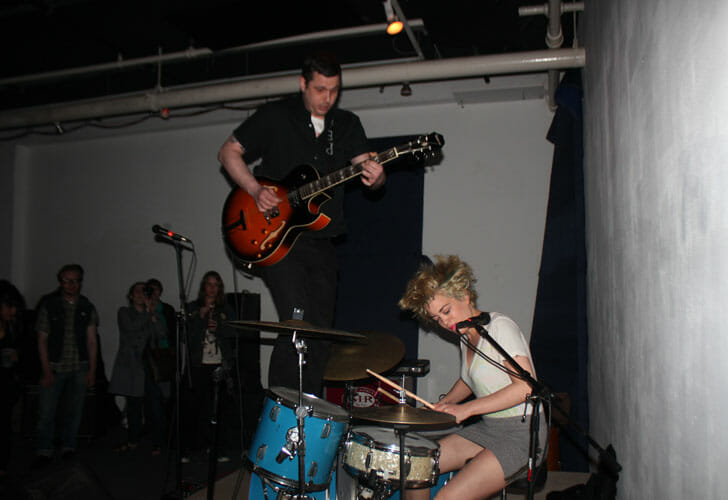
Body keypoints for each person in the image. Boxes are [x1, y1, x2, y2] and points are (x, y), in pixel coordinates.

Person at [217, 51, 385, 397]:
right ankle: (280, 410)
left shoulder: (347, 124)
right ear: (302, 84)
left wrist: (377, 175)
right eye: (320, 89)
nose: (328, 98)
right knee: (297, 321)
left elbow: (368, 170)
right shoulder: (276, 115)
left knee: (320, 331)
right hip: (277, 236)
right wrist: (254, 189)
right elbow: (228, 153)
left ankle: (308, 408)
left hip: (323, 240)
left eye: (335, 90)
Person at [398, 255, 547, 500]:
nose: (445, 322)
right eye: (437, 319)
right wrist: (444, 405)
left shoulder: (499, 327)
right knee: (415, 466)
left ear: (465, 295)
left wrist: (467, 410)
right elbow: (469, 380)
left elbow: (525, 388)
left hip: (521, 433)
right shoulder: (466, 335)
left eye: (446, 311)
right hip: (490, 428)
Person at [34, 264, 98, 465]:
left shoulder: (86, 306)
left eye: (74, 281)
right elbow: (42, 340)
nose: (71, 285)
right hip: (55, 366)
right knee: (47, 411)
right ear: (60, 282)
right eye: (66, 281)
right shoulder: (50, 305)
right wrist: (46, 370)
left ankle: (69, 445)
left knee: (74, 411)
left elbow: (91, 341)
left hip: (79, 367)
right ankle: (44, 448)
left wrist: (92, 370)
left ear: (80, 282)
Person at [108, 282, 169, 455]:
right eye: (137, 291)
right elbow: (131, 327)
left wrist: (153, 314)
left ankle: (158, 442)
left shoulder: (151, 313)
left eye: (144, 291)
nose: (141, 294)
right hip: (132, 365)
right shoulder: (124, 312)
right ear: (131, 295)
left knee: (155, 404)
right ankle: (133, 440)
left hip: (149, 365)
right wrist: (147, 313)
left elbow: (162, 333)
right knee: (134, 405)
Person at [182, 271, 237, 463]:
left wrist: (219, 327)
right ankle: (189, 448)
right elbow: (185, 336)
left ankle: (217, 448)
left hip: (219, 365)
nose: (212, 288)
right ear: (203, 286)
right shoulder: (193, 308)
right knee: (194, 407)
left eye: (216, 284)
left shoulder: (226, 309)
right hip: (198, 365)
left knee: (218, 409)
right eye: (209, 284)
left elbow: (234, 332)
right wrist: (199, 317)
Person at [0, 280, 25, 476]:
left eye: (15, 306)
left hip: (6, 386)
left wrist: (16, 355)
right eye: (9, 306)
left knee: (4, 429)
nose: (13, 311)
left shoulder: (11, 326)